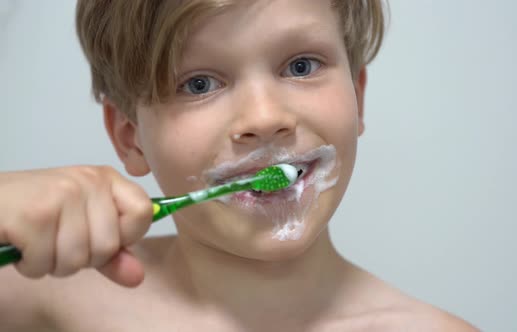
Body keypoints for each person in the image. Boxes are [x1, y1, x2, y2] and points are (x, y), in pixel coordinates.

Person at [0, 0, 479, 331]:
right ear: (130, 137)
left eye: (301, 66)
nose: (265, 119)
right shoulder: (46, 298)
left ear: (357, 96)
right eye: (199, 84)